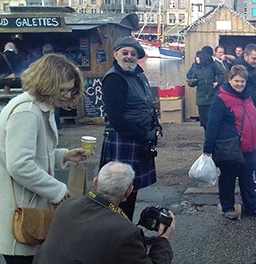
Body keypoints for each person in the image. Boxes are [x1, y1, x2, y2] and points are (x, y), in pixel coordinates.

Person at [0, 54, 87, 264]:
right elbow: (20, 164)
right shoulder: (27, 112)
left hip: (26, 205)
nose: (67, 95)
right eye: (63, 89)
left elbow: (27, 153)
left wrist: (63, 155)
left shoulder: (36, 107)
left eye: (70, 89)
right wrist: (58, 191)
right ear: (47, 83)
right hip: (21, 211)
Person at [34, 161, 175, 264]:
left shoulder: (66, 207)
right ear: (129, 191)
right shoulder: (125, 232)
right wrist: (163, 240)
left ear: (95, 182)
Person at [100, 36, 163, 221]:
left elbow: (148, 105)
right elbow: (116, 118)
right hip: (123, 139)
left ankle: (127, 231)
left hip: (139, 139)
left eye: (133, 54)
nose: (129, 56)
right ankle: (117, 233)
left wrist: (156, 127)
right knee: (118, 192)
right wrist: (144, 134)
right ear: (116, 54)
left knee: (131, 189)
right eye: (125, 53)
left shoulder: (139, 75)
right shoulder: (114, 79)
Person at [203, 65, 256, 220]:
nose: (240, 84)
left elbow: (254, 117)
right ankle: (227, 207)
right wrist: (208, 148)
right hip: (230, 146)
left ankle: (252, 206)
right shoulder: (220, 100)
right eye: (236, 81)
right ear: (230, 80)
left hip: (249, 145)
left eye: (242, 81)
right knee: (228, 178)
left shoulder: (248, 97)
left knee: (247, 177)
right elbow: (212, 124)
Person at [232, 43, 256, 191]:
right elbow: (250, 97)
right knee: (250, 148)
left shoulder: (251, 68)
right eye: (254, 58)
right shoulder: (241, 72)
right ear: (245, 56)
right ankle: (250, 180)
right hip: (248, 115)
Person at [186, 50, 223, 130]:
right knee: (204, 122)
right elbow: (190, 78)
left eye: (197, 56)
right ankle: (207, 138)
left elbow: (221, 74)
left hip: (212, 96)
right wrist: (191, 82)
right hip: (201, 98)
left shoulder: (212, 65)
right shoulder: (194, 66)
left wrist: (218, 82)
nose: (196, 58)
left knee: (213, 120)